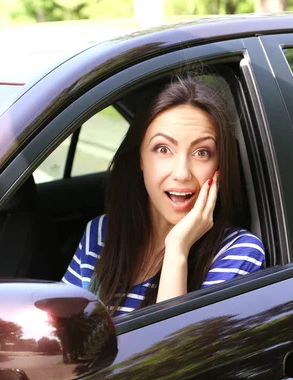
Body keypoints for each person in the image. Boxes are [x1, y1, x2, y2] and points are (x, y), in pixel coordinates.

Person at [62, 74, 265, 316]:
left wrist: (177, 250)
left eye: (202, 152)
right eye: (163, 149)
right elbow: (65, 339)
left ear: (220, 165)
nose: (181, 173)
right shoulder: (101, 234)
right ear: (140, 158)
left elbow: (177, 352)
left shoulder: (238, 253)